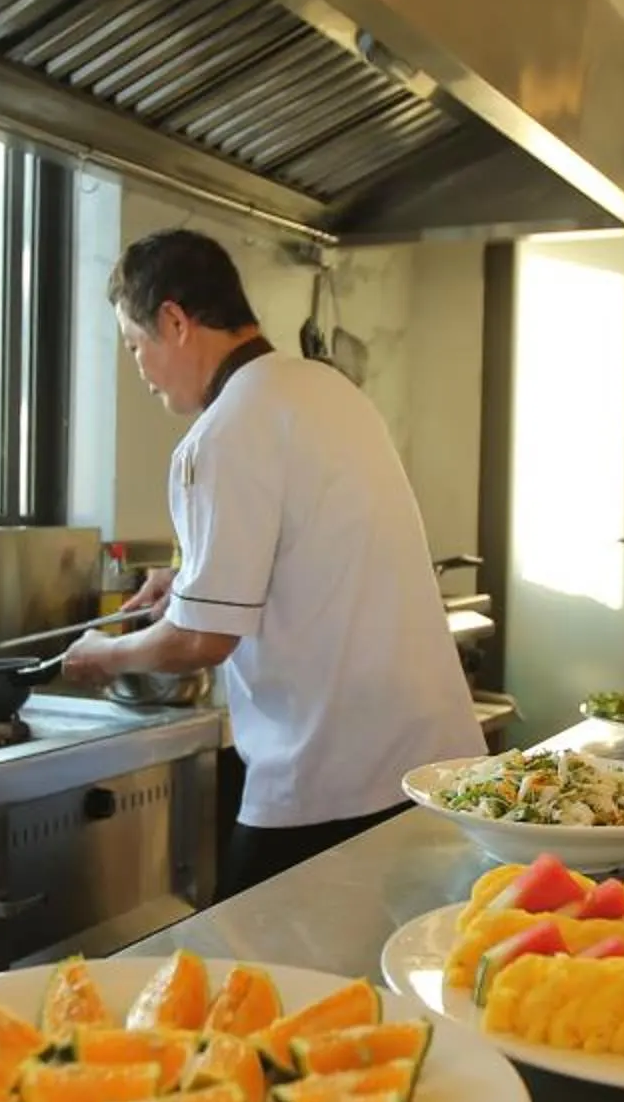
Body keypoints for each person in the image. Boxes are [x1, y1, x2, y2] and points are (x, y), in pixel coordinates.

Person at [61, 228, 481, 895]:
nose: (140, 371)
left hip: (330, 781)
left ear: (174, 321)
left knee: (255, 970)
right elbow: (301, 550)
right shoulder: (326, 390)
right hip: (433, 768)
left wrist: (99, 656)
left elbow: (203, 639)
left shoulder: (222, 433)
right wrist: (190, 578)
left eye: (134, 345)